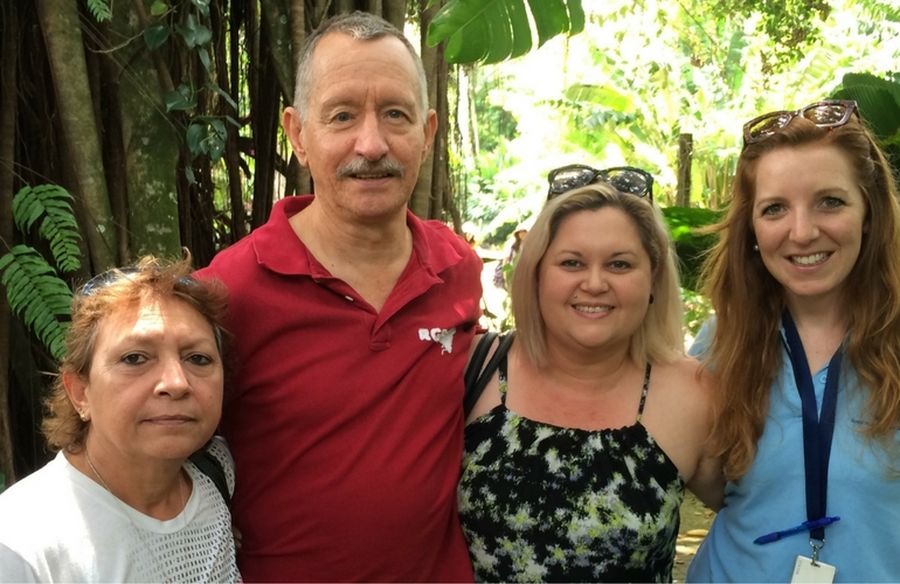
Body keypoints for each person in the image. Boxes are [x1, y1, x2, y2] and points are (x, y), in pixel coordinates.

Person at [196, 10, 483, 582]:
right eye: (343, 115)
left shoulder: (458, 270)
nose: (371, 144)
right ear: (298, 134)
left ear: (427, 134)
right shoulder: (228, 291)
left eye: (395, 115)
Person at [459, 171, 723, 582]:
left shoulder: (694, 394)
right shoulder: (474, 368)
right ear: (536, 274)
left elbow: (759, 518)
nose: (595, 283)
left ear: (652, 278)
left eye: (619, 264)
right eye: (571, 262)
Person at [686, 100, 900, 582]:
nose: (801, 232)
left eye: (830, 201)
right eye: (775, 208)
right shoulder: (721, 345)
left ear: (869, 212)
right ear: (752, 230)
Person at [0, 256, 239, 582]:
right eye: (135, 357)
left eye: (198, 358)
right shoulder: (21, 542)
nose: (176, 382)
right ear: (80, 392)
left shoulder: (218, 473)